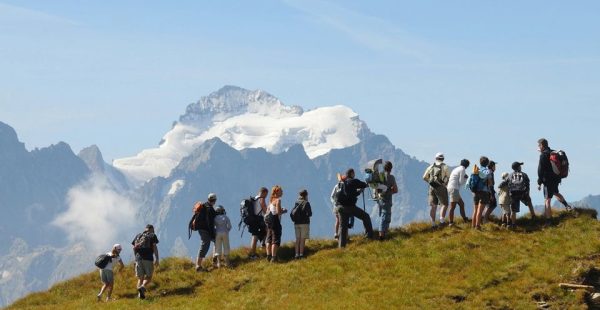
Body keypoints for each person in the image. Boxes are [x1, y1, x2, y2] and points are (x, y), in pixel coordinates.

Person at [336, 168, 373, 248]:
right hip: (350, 207)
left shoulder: (343, 182)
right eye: (354, 173)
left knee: (343, 227)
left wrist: (357, 192)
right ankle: (369, 236)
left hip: (340, 207)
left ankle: (341, 247)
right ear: (352, 174)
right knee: (365, 216)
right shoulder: (353, 181)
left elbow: (349, 192)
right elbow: (365, 184)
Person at [537, 138, 572, 220]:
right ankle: (567, 206)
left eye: (539, 145)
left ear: (542, 145)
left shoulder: (543, 155)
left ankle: (548, 220)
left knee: (547, 200)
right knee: (555, 192)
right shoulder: (553, 152)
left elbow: (540, 170)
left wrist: (539, 182)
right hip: (556, 179)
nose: (538, 147)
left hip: (547, 180)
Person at [422, 153, 450, 228]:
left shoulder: (430, 166)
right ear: (443, 159)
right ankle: (441, 221)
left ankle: (433, 224)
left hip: (431, 187)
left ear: (436, 158)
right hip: (441, 187)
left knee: (433, 206)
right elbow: (449, 177)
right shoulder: (445, 167)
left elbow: (424, 177)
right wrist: (445, 184)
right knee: (444, 204)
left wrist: (431, 182)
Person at [131, 224, 159, 299]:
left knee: (140, 278)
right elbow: (154, 247)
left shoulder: (138, 235)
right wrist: (157, 258)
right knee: (149, 277)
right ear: (151, 229)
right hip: (148, 258)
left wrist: (135, 259)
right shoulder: (152, 235)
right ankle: (143, 287)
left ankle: (139, 296)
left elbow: (134, 248)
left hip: (138, 258)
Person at [194, 193, 217, 271]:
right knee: (205, 245)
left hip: (201, 229)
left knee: (210, 243)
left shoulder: (204, 205)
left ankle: (214, 260)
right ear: (215, 200)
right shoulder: (210, 209)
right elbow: (210, 224)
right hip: (206, 229)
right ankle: (198, 265)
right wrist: (212, 234)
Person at [509, 162, 536, 227]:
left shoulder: (510, 175)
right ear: (518, 167)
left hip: (513, 194)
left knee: (513, 210)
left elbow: (507, 183)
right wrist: (527, 194)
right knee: (529, 202)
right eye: (520, 166)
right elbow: (527, 185)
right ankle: (533, 216)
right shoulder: (524, 174)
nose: (521, 167)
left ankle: (513, 224)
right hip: (522, 193)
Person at [446, 159, 470, 226]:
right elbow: (461, 182)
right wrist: (466, 178)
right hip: (454, 189)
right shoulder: (462, 169)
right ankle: (451, 223)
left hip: (451, 188)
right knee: (452, 207)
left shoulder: (457, 169)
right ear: (467, 165)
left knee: (461, 204)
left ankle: (465, 219)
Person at [265, 185, 286, 262]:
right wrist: (284, 211)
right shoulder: (278, 200)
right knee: (275, 239)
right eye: (281, 191)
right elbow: (278, 212)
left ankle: (268, 256)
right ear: (277, 192)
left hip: (269, 222)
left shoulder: (270, 201)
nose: (282, 192)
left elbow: (267, 212)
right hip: (275, 221)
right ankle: (274, 257)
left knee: (269, 239)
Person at [472, 156, 493, 229]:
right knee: (480, 210)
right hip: (484, 192)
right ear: (487, 163)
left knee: (475, 210)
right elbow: (490, 183)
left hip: (475, 192)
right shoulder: (487, 171)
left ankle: (473, 225)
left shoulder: (476, 170)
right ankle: (478, 226)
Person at [378, 161, 398, 240]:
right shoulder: (391, 177)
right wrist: (390, 191)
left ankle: (383, 234)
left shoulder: (380, 175)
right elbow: (396, 190)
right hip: (387, 199)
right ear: (391, 168)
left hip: (379, 199)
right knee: (386, 217)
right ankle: (382, 236)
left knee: (383, 215)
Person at [291, 189, 312, 259]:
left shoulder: (296, 202)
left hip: (296, 223)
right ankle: (301, 254)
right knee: (302, 239)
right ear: (306, 195)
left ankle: (296, 254)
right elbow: (310, 214)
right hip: (304, 223)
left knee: (297, 239)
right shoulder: (306, 203)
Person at [248, 187, 268, 259]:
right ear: (264, 192)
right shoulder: (261, 199)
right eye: (266, 194)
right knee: (267, 230)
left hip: (253, 219)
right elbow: (265, 209)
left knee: (254, 236)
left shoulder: (254, 198)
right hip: (259, 219)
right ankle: (263, 246)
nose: (266, 196)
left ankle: (252, 254)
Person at [330, 175, 346, 240]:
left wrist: (334, 202)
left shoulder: (336, 186)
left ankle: (336, 234)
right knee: (344, 220)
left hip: (336, 206)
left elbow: (331, 196)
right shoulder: (345, 186)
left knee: (337, 220)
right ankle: (344, 236)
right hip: (343, 206)